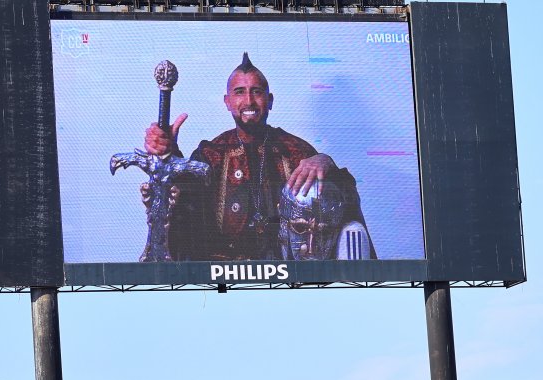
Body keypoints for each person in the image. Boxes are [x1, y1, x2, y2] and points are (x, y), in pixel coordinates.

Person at [143, 53, 374, 262]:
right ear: (227, 102)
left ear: (270, 100)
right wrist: (169, 154)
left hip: (288, 274)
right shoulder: (211, 153)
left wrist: (325, 161)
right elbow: (184, 199)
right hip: (224, 275)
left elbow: (341, 198)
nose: (249, 101)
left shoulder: (295, 150)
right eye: (239, 92)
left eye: (257, 91)